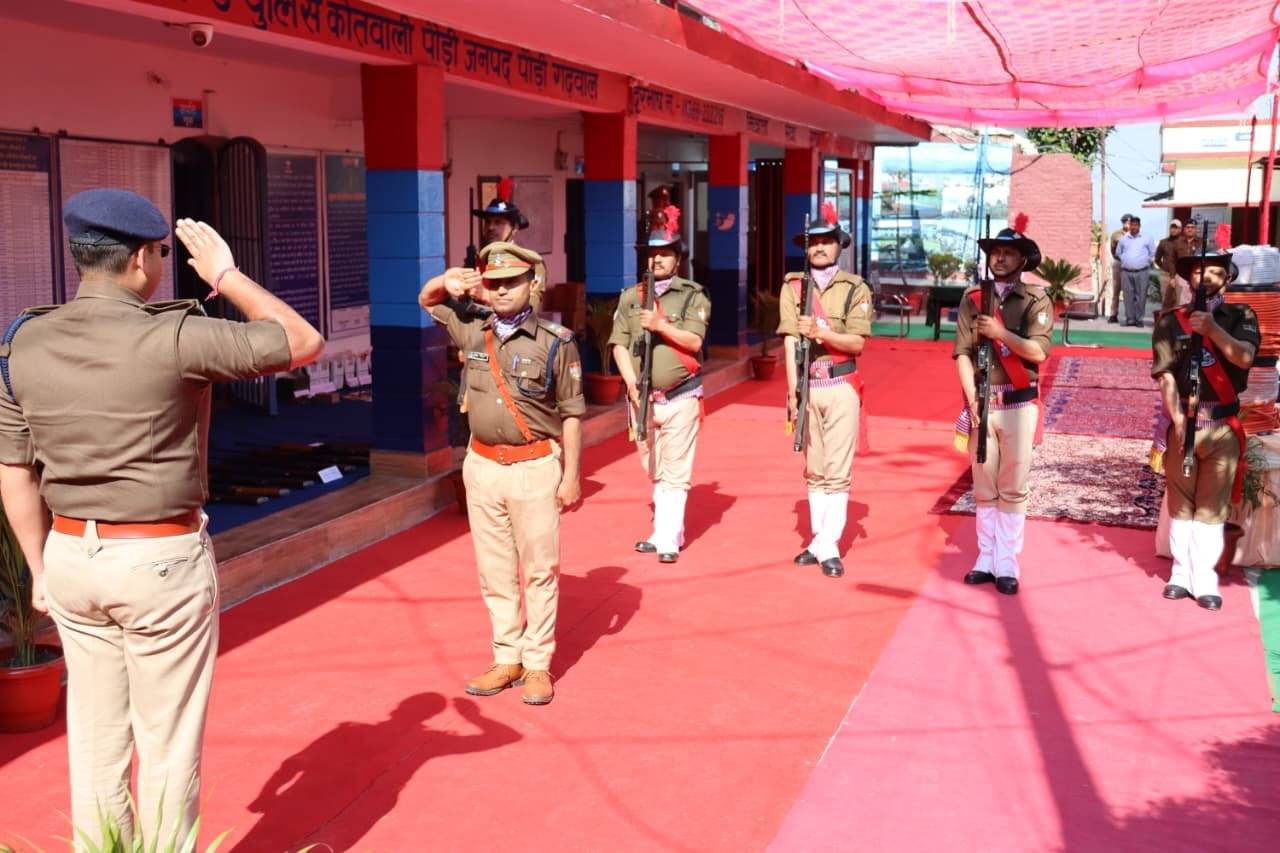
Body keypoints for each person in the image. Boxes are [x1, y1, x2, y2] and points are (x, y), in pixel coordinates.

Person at [0, 189, 323, 847]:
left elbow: (14, 469)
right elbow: (302, 341)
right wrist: (225, 275)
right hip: (157, 561)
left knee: (95, 737)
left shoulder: (23, 339)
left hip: (69, 556)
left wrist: (38, 569)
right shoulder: (176, 333)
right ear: (143, 259)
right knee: (167, 741)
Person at [418, 241, 583, 705]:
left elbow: (572, 413)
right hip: (482, 466)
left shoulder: (556, 341)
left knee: (540, 570)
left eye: (512, 281)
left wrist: (571, 476)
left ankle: (537, 664)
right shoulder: (472, 327)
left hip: (535, 467)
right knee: (494, 571)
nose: (503, 290)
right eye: (494, 283)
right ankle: (506, 657)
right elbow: (427, 300)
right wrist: (447, 280)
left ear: (533, 285)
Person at [1151, 252, 1258, 611]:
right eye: (1199, 271)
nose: (1207, 276)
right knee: (1181, 503)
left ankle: (1205, 578)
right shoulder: (1170, 321)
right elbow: (1165, 375)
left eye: (1215, 271)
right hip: (1184, 424)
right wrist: (1177, 418)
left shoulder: (1241, 316)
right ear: (1189, 279)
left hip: (1222, 427)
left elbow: (1244, 357)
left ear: (1228, 278)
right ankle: (1181, 574)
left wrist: (1212, 329)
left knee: (1212, 507)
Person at [955, 217, 1053, 596]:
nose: (999, 258)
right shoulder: (973, 299)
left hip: (1017, 403)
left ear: (1022, 260)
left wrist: (1000, 333)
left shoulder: (1035, 300)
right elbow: (963, 354)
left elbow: (1038, 352)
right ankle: (986, 556)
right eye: (995, 252)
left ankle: (1007, 560)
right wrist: (971, 398)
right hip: (983, 403)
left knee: (1012, 484)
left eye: (1008, 253)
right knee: (983, 483)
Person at [608, 203, 710, 563]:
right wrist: (631, 384)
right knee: (653, 467)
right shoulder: (630, 297)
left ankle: (667, 538)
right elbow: (619, 344)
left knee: (675, 471)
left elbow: (694, 342)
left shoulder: (692, 295)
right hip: (642, 398)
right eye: (653, 254)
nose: (658, 260)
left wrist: (661, 326)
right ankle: (665, 531)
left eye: (666, 254)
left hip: (680, 395)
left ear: (677, 259)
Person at [778, 204, 873, 579]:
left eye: (826, 241)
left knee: (837, 471)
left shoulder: (855, 287)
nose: (819, 247)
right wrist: (792, 390)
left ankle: (829, 544)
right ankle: (819, 541)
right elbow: (789, 340)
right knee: (814, 470)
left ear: (839, 245)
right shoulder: (792, 286)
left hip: (840, 383)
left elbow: (857, 343)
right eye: (813, 242)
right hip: (807, 385)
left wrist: (821, 333)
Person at [1114, 214, 1157, 327]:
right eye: (1132, 225)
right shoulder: (1123, 239)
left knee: (1141, 296)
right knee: (1128, 296)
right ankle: (1130, 319)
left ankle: (1139, 319)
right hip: (1126, 272)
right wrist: (1125, 260)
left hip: (1142, 271)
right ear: (1130, 226)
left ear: (1139, 226)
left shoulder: (1147, 237)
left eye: (1136, 225)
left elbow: (1153, 252)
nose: (1134, 227)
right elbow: (1118, 253)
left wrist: (1146, 260)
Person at [1106, 213, 1132, 323]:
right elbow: (1113, 249)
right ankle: (1113, 314)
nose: (1127, 224)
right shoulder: (1116, 234)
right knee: (1116, 290)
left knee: (1129, 291)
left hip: (1131, 265)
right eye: (1125, 222)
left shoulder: (1137, 235)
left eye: (1129, 222)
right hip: (1119, 263)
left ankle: (1130, 316)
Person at [1154, 218, 1182, 312]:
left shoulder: (1184, 242)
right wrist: (1164, 267)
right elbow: (1157, 259)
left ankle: (1177, 320)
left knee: (1179, 301)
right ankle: (1165, 319)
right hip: (1166, 274)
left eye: (1176, 228)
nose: (1173, 230)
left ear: (1180, 229)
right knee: (1166, 300)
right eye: (1172, 227)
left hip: (1179, 275)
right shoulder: (1163, 242)